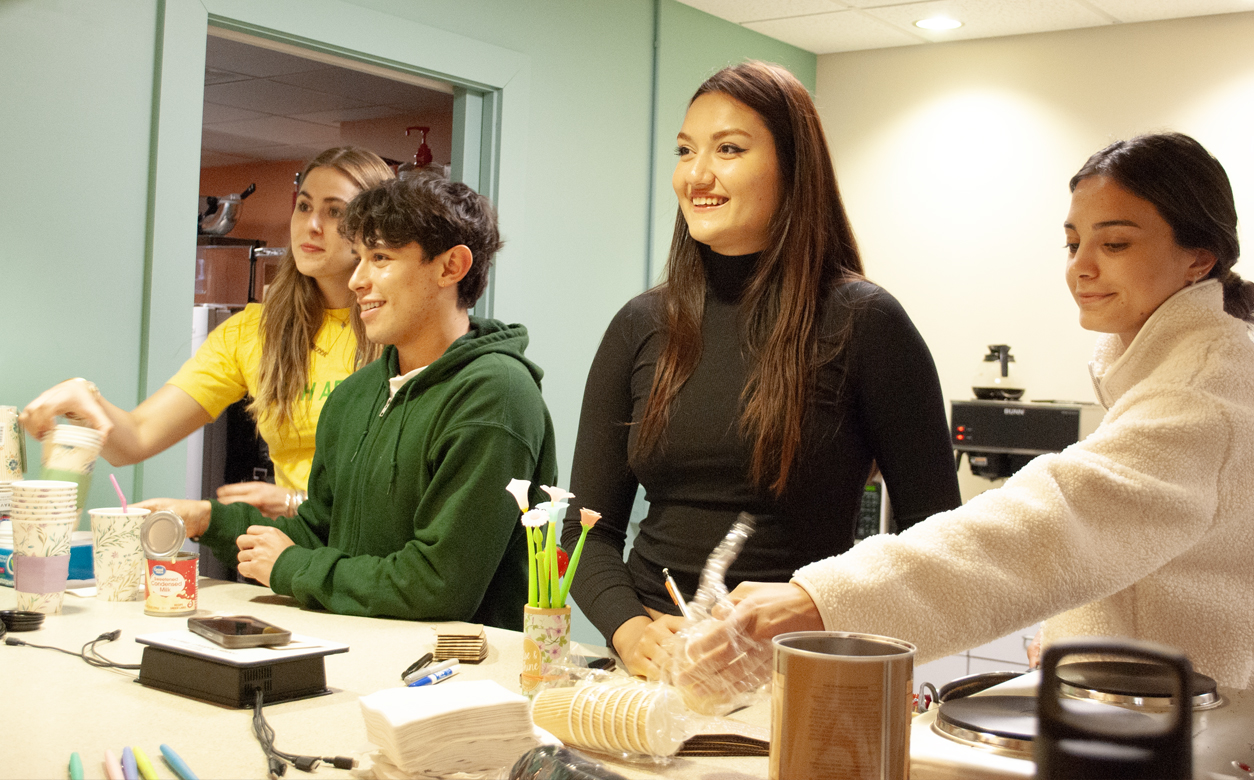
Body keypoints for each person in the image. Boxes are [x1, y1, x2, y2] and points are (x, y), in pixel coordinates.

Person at [683, 132, 1254, 693]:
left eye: (1115, 245)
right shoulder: (1175, 368)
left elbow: (1057, 521)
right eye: (1073, 243)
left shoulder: (1202, 390)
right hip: (1137, 707)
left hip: (1177, 727)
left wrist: (822, 600)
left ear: (1198, 259)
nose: (1081, 267)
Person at [561, 61, 961, 677]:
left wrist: (817, 609)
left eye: (728, 149)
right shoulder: (641, 324)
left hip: (798, 674)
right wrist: (632, 632)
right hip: (651, 673)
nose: (697, 175)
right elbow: (585, 531)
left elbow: (936, 545)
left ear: (793, 168)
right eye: (685, 150)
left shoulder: (865, 322)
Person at [139, 174, 558, 630]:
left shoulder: (496, 395)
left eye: (380, 258)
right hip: (357, 655)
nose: (357, 280)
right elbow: (318, 534)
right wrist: (208, 520)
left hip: (454, 681)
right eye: (359, 258)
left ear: (451, 266)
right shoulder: (355, 396)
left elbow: (439, 584)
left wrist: (292, 568)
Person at [20, 147, 394, 517]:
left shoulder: (398, 330)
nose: (311, 225)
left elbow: (407, 486)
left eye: (335, 212)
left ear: (376, 229)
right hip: (286, 563)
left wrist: (295, 502)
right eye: (304, 206)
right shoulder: (253, 332)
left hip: (375, 564)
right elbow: (135, 438)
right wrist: (85, 400)